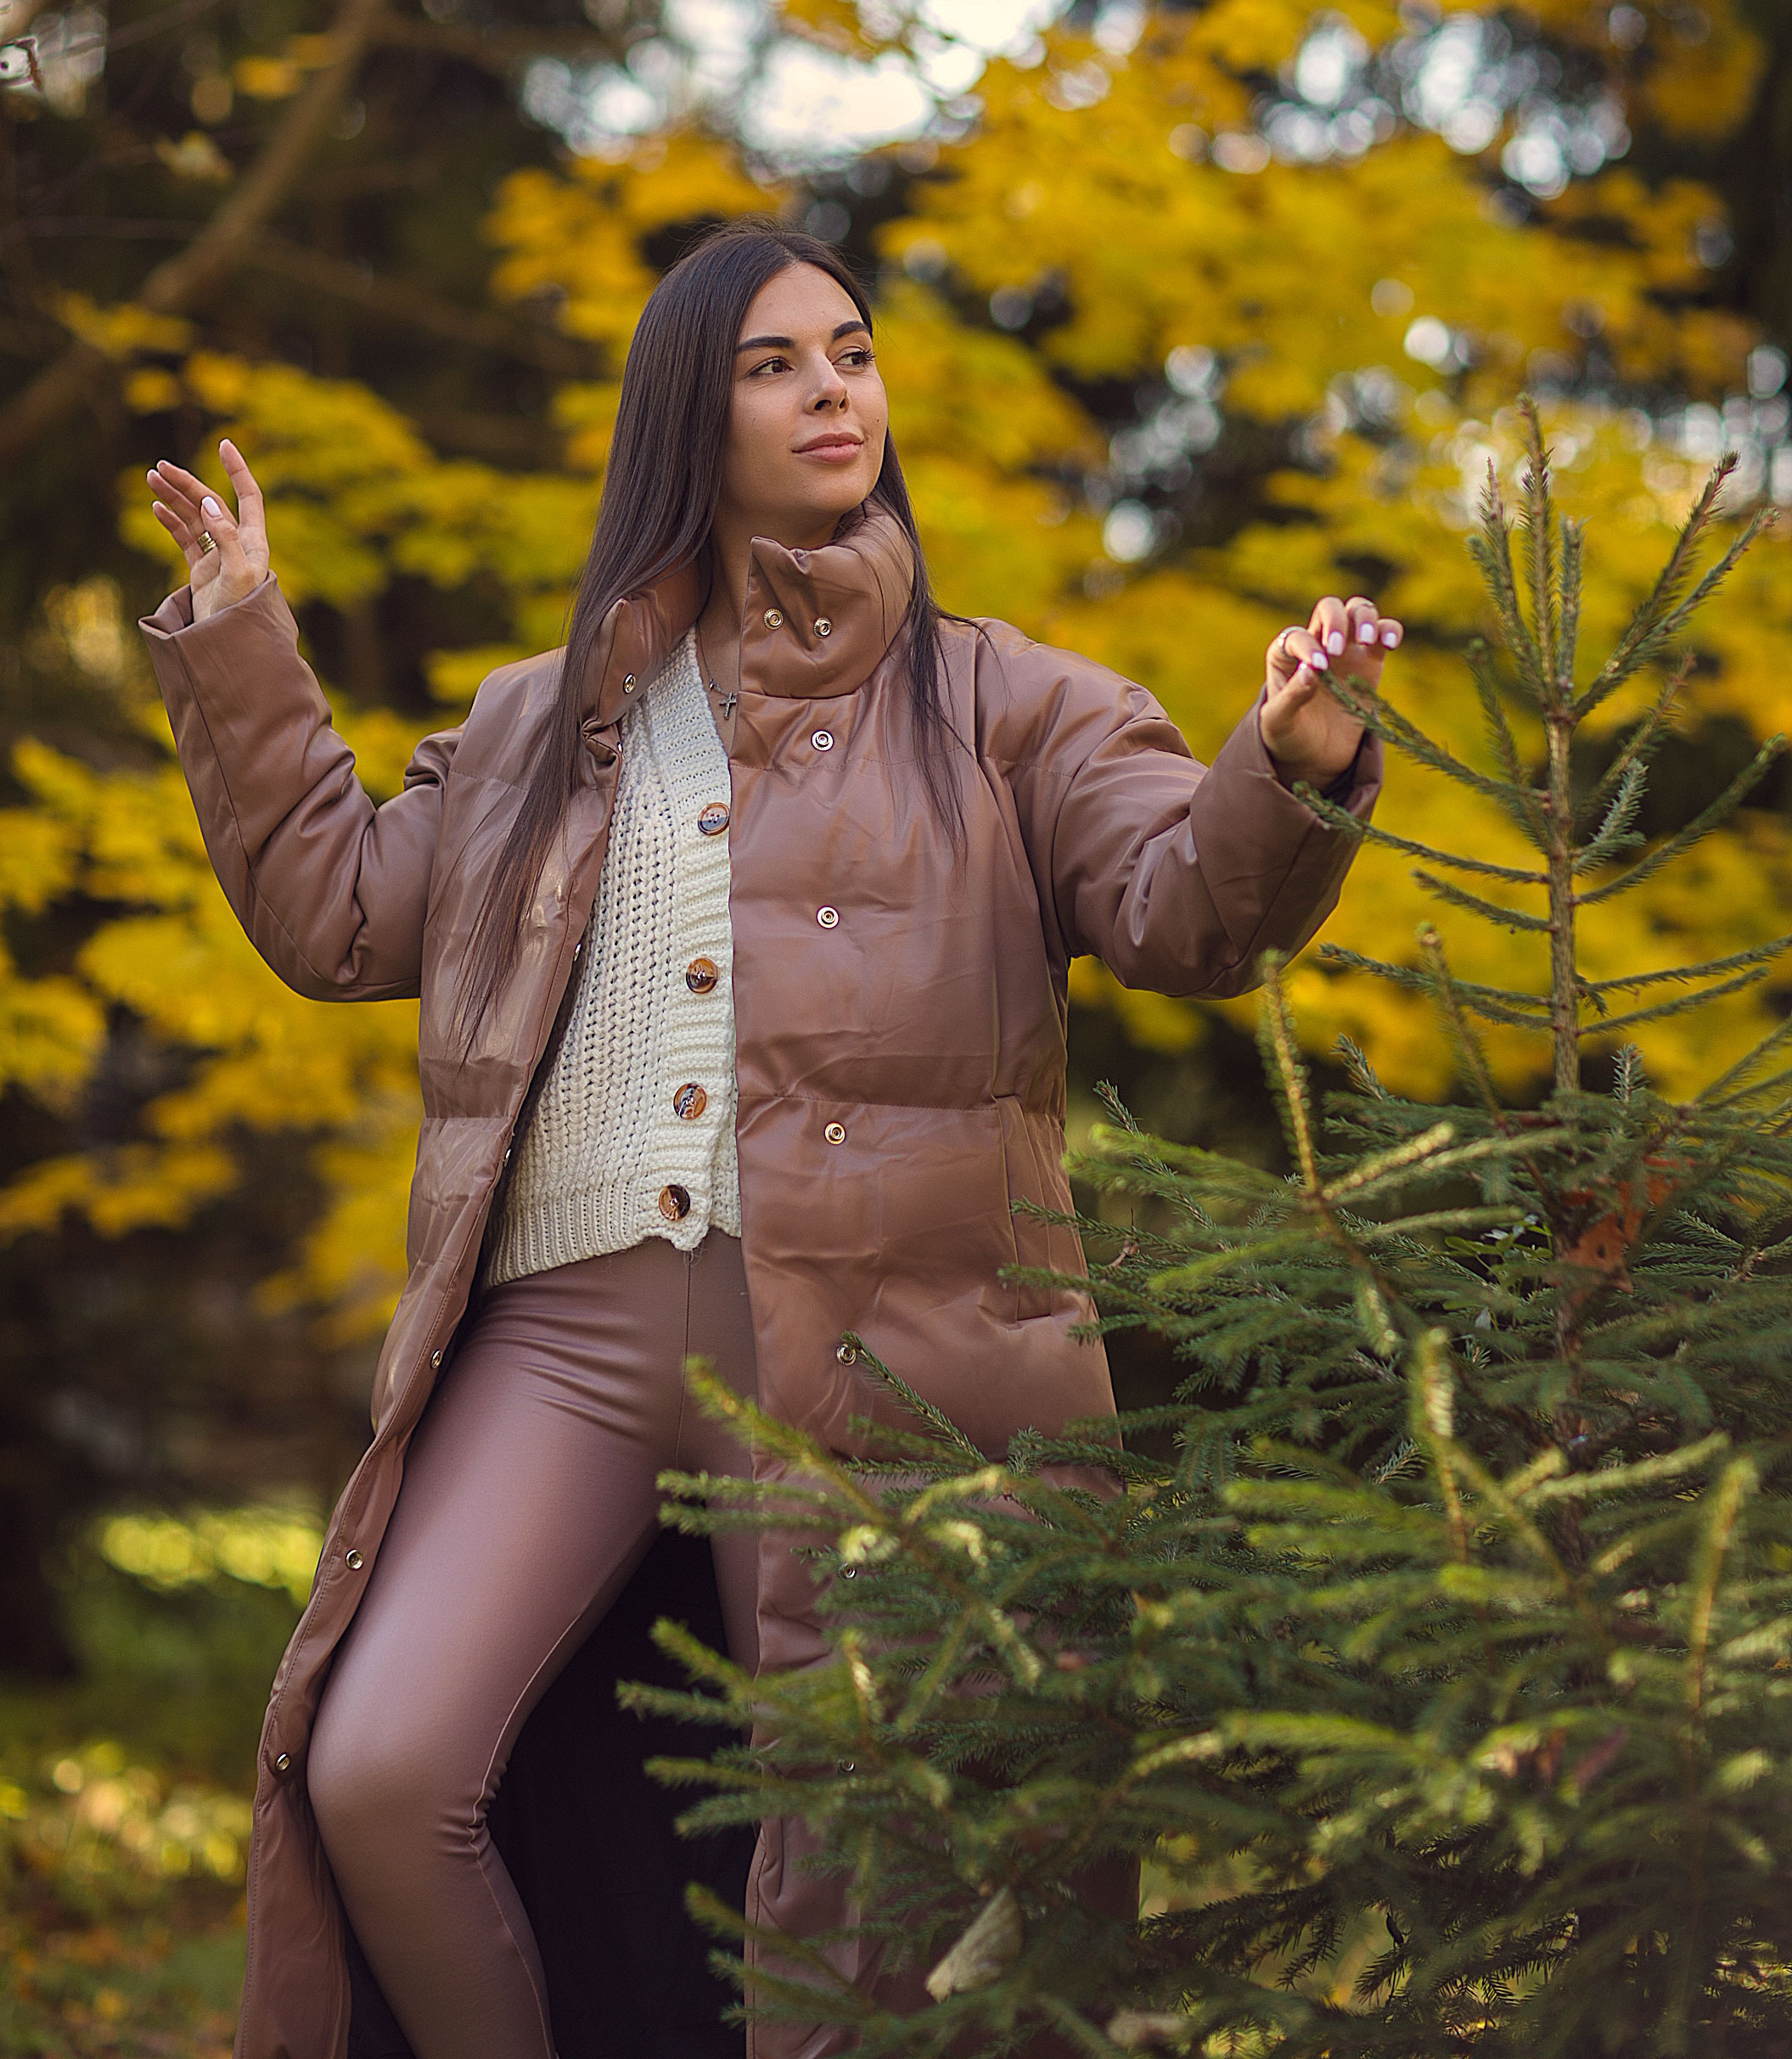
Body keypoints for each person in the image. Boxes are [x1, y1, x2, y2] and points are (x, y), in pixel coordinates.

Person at [141, 222, 1396, 2059]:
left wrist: (1288, 751)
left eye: (855, 352)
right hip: (561, 1339)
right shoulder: (533, 721)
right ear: (686, 415)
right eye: (778, 362)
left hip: (870, 1345)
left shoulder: (1000, 702)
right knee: (380, 1767)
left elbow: (1187, 913)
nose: (835, 389)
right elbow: (336, 913)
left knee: (856, 1891)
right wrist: (244, 637)